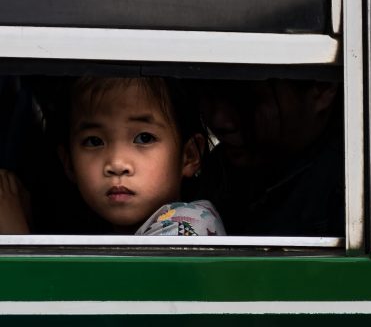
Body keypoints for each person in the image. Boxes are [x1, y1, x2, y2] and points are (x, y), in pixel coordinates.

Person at [0, 77, 225, 236]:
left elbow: (122, 301)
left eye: (144, 138)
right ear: (68, 163)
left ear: (188, 156)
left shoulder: (188, 225)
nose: (117, 164)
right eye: (94, 141)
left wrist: (15, 237)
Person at [197, 78, 344, 236]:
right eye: (208, 96)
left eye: (246, 98)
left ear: (322, 88)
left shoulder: (352, 195)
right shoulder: (218, 171)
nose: (219, 120)